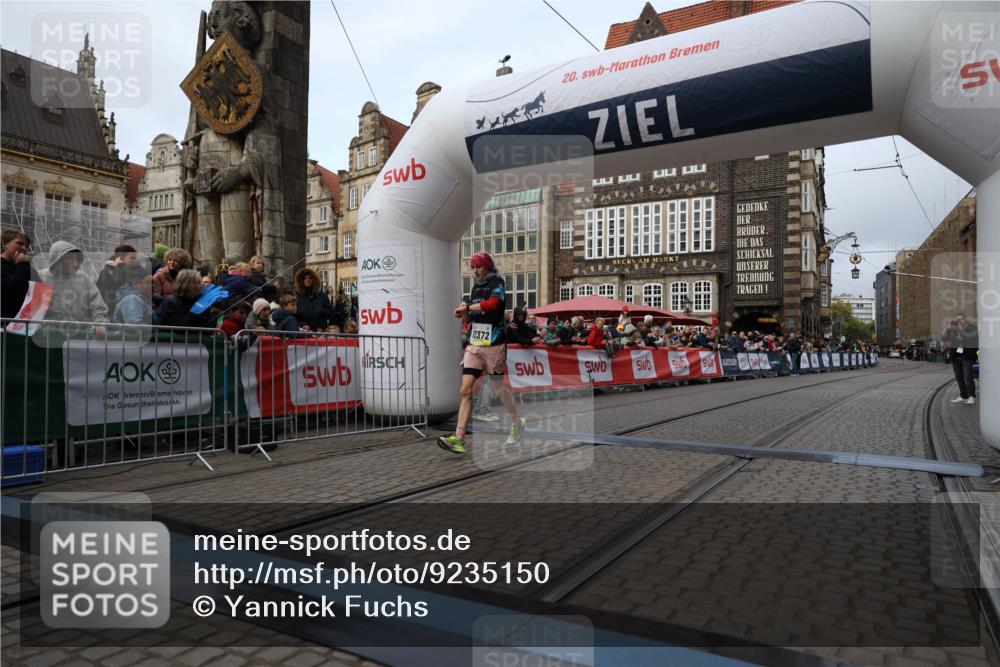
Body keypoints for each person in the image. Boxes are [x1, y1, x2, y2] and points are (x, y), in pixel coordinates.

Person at [438, 252, 524, 454]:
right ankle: (459, 438)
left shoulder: (497, 282)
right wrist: (463, 312)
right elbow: (470, 317)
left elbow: (494, 304)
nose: (474, 271)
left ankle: (517, 422)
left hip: (494, 344)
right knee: (465, 389)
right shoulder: (476, 287)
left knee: (497, 389)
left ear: (486, 266)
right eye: (472, 267)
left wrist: (469, 306)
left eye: (478, 267)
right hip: (475, 344)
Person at [38, 241, 109, 333]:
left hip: (80, 334)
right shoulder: (40, 277)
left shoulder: (84, 278)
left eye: (77, 259)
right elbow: (32, 307)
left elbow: (97, 303)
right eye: (70, 258)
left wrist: (100, 322)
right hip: (48, 334)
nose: (75, 263)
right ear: (57, 259)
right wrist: (35, 324)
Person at [1, 229, 39, 319]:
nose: (24, 248)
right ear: (4, 244)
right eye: (19, 243)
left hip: (24, 325)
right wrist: (22, 265)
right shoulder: (23, 266)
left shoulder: (27, 268)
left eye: (26, 245)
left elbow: (39, 290)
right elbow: (14, 288)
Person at [941, 313, 978, 405]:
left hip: (967, 356)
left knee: (968, 376)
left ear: (965, 319)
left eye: (961, 319)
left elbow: (971, 339)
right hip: (956, 356)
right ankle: (963, 395)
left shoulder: (972, 328)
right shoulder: (953, 329)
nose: (959, 321)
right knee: (959, 377)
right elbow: (945, 338)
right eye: (957, 320)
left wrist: (961, 329)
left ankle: (971, 396)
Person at [96, 244, 139, 312]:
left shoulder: (107, 270)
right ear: (122, 258)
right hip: (115, 311)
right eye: (132, 258)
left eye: (135, 258)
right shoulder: (120, 273)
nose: (135, 260)